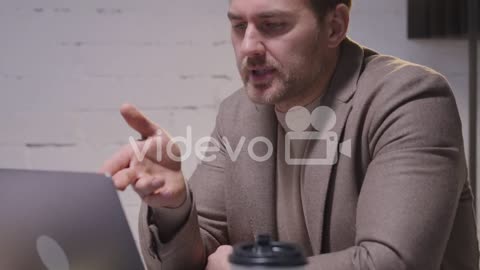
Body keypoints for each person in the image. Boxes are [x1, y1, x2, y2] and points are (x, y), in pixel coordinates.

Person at [101, 0, 480, 269]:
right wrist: (173, 207)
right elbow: (189, 262)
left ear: (334, 27)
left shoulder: (411, 97)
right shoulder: (236, 115)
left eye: (273, 25)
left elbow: (394, 263)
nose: (248, 46)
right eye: (238, 26)